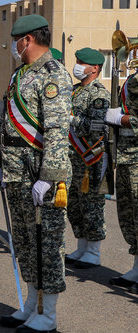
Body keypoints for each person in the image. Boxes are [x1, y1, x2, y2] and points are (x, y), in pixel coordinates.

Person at [0, 15, 72, 332]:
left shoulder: (54, 75)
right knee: (25, 244)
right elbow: (5, 122)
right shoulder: (20, 75)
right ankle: (30, 306)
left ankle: (47, 315)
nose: (14, 46)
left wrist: (48, 176)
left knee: (46, 246)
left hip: (39, 174)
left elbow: (56, 131)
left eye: (16, 40)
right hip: (15, 173)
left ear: (27, 40)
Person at [65, 48, 109, 269]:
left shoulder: (99, 94)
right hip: (71, 158)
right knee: (74, 204)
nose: (77, 66)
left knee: (91, 205)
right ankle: (81, 246)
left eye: (82, 62)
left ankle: (93, 251)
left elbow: (96, 127)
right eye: (77, 61)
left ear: (95, 68)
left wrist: (71, 120)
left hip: (90, 159)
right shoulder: (73, 91)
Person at [105, 39, 138, 294]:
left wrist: (122, 119)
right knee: (128, 215)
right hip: (127, 156)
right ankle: (136, 267)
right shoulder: (131, 80)